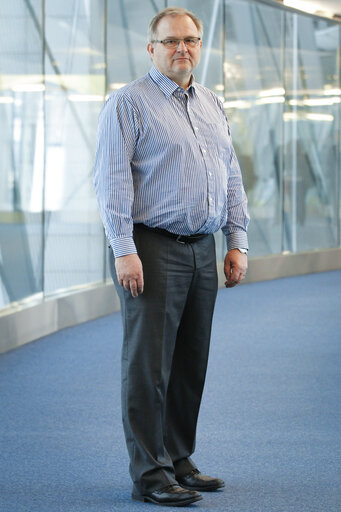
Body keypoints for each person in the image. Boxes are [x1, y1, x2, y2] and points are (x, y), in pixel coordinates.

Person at [94, 6, 249, 507]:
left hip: (203, 250)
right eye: (171, 41)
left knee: (189, 363)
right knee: (148, 366)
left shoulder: (212, 103)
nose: (182, 48)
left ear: (200, 45)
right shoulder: (128, 104)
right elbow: (111, 183)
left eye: (191, 39)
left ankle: (179, 459)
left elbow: (231, 176)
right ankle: (151, 474)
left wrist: (236, 240)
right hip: (152, 248)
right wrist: (124, 251)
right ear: (151, 48)